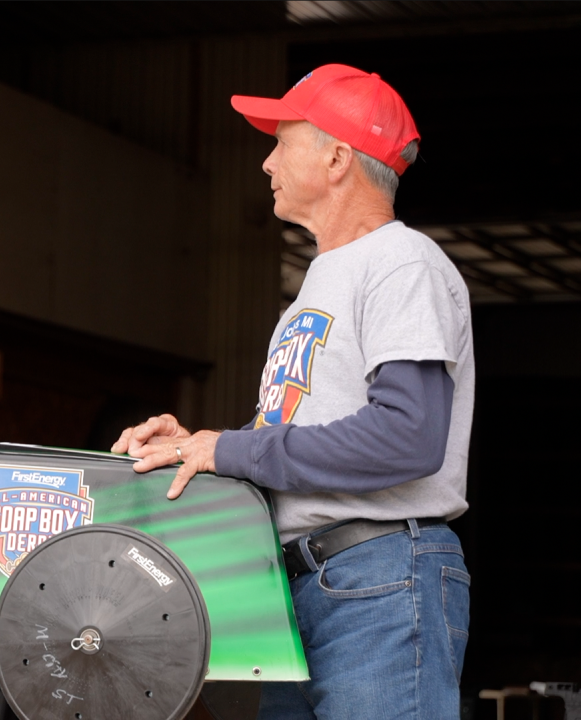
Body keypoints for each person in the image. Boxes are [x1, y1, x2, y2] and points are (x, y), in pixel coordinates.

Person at [112, 65, 472, 719]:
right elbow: (299, 436)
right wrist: (200, 445)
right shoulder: (320, 283)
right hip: (314, 582)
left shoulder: (401, 262)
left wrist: (231, 450)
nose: (265, 162)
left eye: (283, 141)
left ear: (336, 157)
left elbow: (407, 434)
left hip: (379, 573)